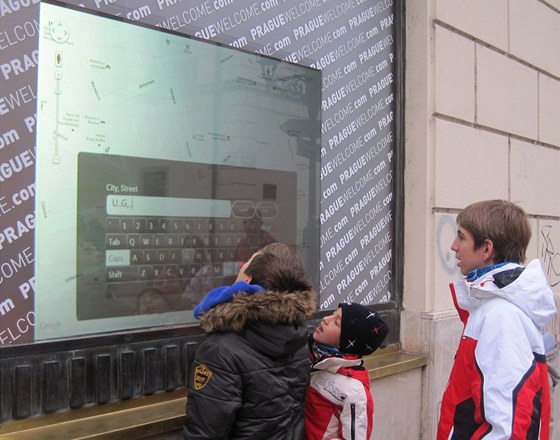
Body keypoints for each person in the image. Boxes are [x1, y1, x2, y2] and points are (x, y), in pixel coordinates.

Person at [437, 200, 557, 439]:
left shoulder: (501, 316)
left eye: (461, 237)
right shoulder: (497, 308)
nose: (453, 246)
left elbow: (508, 428)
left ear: (486, 249)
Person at [182, 242, 317, 439]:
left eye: (247, 262)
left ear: (247, 280)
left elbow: (204, 432)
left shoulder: (220, 349)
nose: (241, 264)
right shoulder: (297, 336)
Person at [304, 302, 389, 440]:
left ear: (346, 342)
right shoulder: (310, 354)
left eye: (336, 322)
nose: (326, 319)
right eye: (333, 314)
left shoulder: (354, 391)